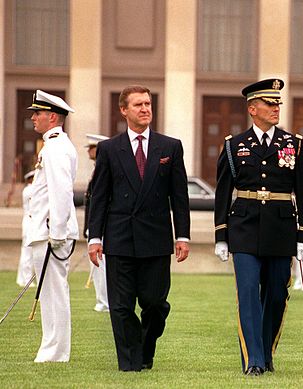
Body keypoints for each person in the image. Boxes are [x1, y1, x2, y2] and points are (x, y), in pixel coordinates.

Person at [87, 85, 190, 372]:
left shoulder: (170, 146)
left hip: (156, 239)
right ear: (124, 110)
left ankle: (145, 349)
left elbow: (179, 196)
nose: (145, 109)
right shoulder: (109, 148)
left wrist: (182, 235)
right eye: (138, 105)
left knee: (155, 304)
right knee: (120, 307)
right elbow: (99, 196)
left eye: (148, 104)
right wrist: (94, 237)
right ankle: (130, 362)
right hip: (119, 237)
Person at [213, 78, 303, 376]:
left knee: (277, 293)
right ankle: (253, 358)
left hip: (281, 229)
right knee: (247, 292)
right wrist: (221, 235)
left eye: (278, 103)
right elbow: (222, 192)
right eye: (270, 104)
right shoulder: (234, 146)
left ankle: (266, 351)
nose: (276, 108)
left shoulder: (294, 144)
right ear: (252, 109)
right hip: (243, 227)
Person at [23, 90, 78, 362]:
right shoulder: (53, 145)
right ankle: (51, 349)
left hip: (49, 234)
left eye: (38, 113)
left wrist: (57, 233)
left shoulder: (56, 147)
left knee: (54, 293)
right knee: (50, 293)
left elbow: (61, 192)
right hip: (46, 232)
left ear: (52, 117)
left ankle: (55, 352)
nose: (33, 118)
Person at [83, 133, 110, 312]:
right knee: (99, 269)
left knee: (103, 268)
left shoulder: (104, 169)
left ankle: (105, 302)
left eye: (92, 148)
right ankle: (102, 300)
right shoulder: (96, 169)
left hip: (103, 229)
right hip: (94, 227)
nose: (89, 151)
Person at [17, 170, 35, 287]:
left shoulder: (30, 189)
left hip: (30, 222)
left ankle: (22, 278)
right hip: (30, 222)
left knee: (27, 252)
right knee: (27, 252)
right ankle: (27, 278)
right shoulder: (30, 190)